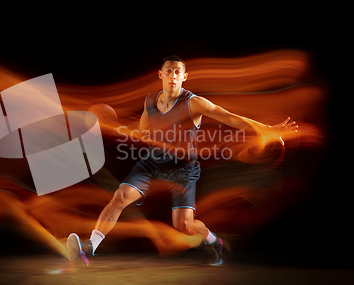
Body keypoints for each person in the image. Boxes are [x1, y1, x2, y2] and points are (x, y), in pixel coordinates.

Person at [67, 55, 298, 266]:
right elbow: (142, 133)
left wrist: (266, 129)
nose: (173, 76)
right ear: (160, 74)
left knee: (184, 226)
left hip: (183, 170)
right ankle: (90, 247)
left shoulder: (194, 103)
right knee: (119, 197)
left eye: (177, 72)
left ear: (184, 77)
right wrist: (110, 127)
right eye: (168, 71)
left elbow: (229, 117)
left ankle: (212, 241)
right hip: (152, 164)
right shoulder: (150, 101)